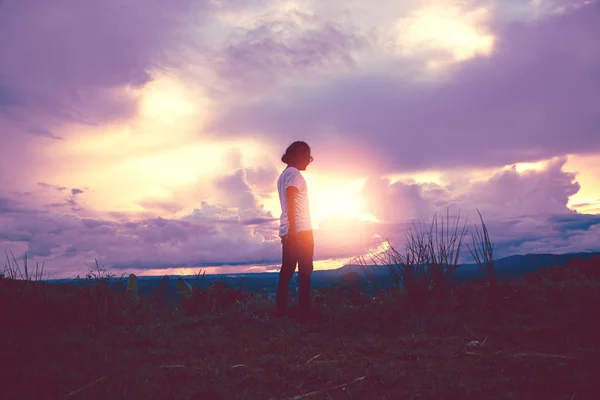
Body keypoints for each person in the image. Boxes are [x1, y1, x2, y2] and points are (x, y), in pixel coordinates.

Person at [276, 141, 314, 318]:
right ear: (298, 155)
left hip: (292, 229)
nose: (309, 161)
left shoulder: (285, 174)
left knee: (288, 270)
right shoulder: (294, 174)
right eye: (307, 157)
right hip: (299, 230)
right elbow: (291, 199)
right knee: (305, 270)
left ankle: (281, 310)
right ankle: (304, 310)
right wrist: (293, 229)